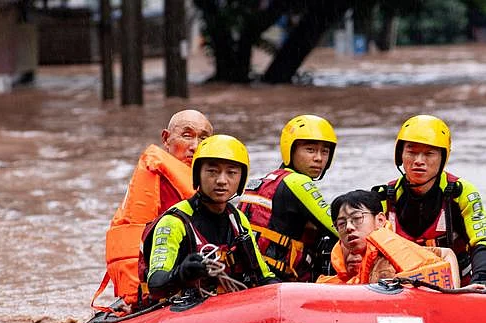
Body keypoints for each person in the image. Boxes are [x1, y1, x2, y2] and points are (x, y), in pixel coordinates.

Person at [92, 110, 213, 311]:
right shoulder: (156, 176)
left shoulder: (213, 183)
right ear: (166, 139)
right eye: (187, 135)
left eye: (203, 139)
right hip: (155, 286)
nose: (195, 146)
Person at [139, 135, 278, 305]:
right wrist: (182, 273)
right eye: (212, 171)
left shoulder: (238, 219)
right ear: (197, 175)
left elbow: (263, 276)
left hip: (228, 307)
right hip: (183, 309)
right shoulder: (174, 222)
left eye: (231, 173)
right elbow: (156, 284)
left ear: (241, 179)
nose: (221, 181)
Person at [373, 114, 486, 285]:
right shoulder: (383, 197)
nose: (419, 161)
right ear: (400, 155)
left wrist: (481, 281)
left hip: (457, 285)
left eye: (429, 154)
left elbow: (484, 241)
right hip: (398, 287)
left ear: (442, 158)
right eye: (411, 152)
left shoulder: (461, 193)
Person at [239, 114, 339, 282]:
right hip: (278, 282)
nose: (319, 158)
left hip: (249, 277)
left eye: (325, 151)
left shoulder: (266, 181)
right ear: (290, 150)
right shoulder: (297, 182)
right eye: (310, 150)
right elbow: (338, 227)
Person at [317, 190, 455, 287]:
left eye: (357, 218)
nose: (348, 227)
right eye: (341, 224)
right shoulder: (342, 262)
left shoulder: (399, 251)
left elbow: (447, 254)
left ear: (380, 220)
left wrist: (454, 293)